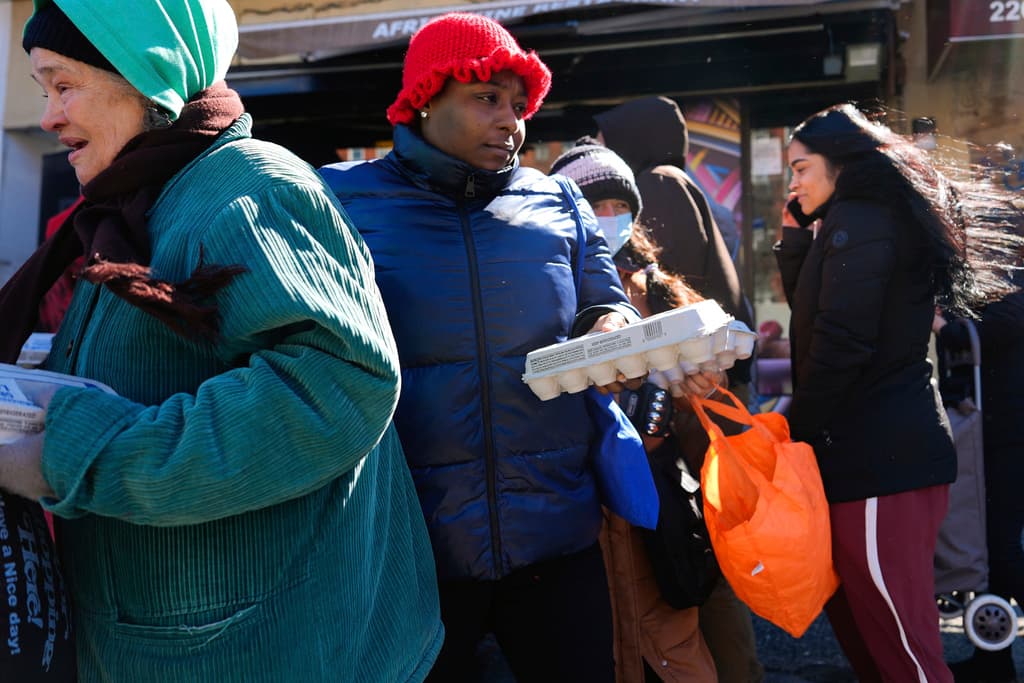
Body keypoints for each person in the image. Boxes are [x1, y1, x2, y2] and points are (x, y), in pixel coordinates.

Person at [0, 1, 442, 680]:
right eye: (43, 90)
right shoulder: (139, 205)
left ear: (148, 74)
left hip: (264, 651)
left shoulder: (252, 191)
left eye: (64, 85)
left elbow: (333, 390)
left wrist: (75, 450)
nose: (50, 115)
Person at [320, 14, 640, 683]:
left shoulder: (560, 203)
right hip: (410, 556)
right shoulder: (339, 202)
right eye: (486, 98)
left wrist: (611, 328)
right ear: (425, 98)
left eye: (517, 105)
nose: (511, 122)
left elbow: (603, 302)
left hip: (557, 541)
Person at [774, 102, 1022, 683]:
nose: (794, 182)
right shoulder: (850, 222)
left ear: (842, 167)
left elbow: (839, 344)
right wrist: (794, 239)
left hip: (883, 465)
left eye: (802, 168)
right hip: (872, 461)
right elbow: (816, 314)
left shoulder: (862, 222)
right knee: (877, 642)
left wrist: (795, 431)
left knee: (903, 651)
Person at [550, 138, 765, 683]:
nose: (609, 219)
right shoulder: (547, 290)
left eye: (620, 207)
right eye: (594, 206)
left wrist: (702, 386)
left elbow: (713, 415)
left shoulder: (660, 290)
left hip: (670, 507)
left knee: (701, 643)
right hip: (583, 508)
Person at [593, 96, 754, 400]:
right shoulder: (677, 180)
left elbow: (669, 284)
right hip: (709, 370)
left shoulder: (659, 182)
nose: (602, 152)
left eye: (606, 142)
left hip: (701, 378)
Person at [934, 275, 1024, 683]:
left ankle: (995, 661)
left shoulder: (1011, 275)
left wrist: (942, 325)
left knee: (1001, 547)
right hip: (989, 422)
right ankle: (994, 660)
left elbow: (996, 328)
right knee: (988, 542)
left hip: (1009, 429)